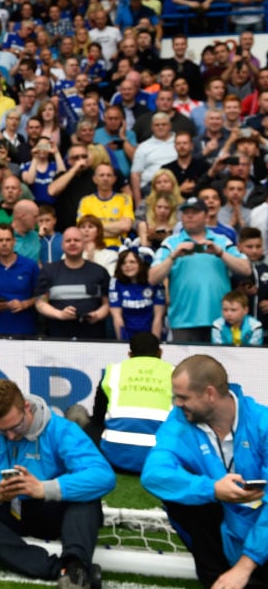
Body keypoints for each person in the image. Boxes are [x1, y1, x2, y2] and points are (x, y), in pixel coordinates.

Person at [0, 378, 114, 589]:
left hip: (49, 511)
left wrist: (45, 489)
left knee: (87, 499)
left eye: (15, 427)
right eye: (0, 430)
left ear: (27, 408)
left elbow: (102, 475)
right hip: (4, 510)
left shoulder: (59, 429)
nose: (10, 435)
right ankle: (59, 570)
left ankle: (75, 567)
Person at [141, 354, 268, 589]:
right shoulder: (179, 422)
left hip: (261, 533)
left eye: (183, 397)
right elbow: (153, 474)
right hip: (218, 529)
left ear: (210, 394)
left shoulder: (262, 422)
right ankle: (217, 576)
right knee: (181, 493)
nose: (176, 403)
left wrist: (245, 566)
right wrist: (212, 489)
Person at [149, 196, 252, 343]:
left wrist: (221, 253)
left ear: (206, 216)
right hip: (183, 320)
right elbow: (152, 277)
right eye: (186, 213)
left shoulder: (222, 241)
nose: (189, 216)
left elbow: (246, 269)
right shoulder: (171, 243)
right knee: (186, 366)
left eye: (195, 212)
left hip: (221, 321)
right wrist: (173, 256)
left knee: (219, 365)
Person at [87, 331, 173, 474]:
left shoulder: (114, 371)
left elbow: (98, 417)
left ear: (130, 355)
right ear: (160, 352)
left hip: (114, 458)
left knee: (86, 423)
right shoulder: (175, 372)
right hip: (159, 459)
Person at [34, 225, 111, 340]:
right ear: (62, 246)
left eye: (77, 240)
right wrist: (60, 314)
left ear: (84, 244)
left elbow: (108, 303)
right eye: (68, 241)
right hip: (57, 337)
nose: (72, 243)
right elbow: (40, 303)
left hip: (93, 338)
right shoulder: (48, 271)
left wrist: (97, 315)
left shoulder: (99, 271)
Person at [0, 223, 39, 336]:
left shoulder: (30, 265)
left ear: (14, 241)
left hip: (25, 330)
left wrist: (24, 304)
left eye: (8, 239)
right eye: (0, 240)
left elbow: (43, 295)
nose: (4, 244)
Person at [109, 248, 166, 341]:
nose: (128, 265)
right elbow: (117, 317)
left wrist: (154, 344)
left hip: (151, 334)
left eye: (132, 262)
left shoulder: (154, 281)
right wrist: (122, 343)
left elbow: (158, 317)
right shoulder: (115, 283)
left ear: (141, 263)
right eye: (123, 263)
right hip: (127, 335)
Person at [77, 162, 135, 247]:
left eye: (109, 175)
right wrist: (116, 227)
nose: (105, 178)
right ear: (95, 179)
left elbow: (126, 226)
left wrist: (95, 229)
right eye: (102, 175)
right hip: (93, 248)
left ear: (114, 179)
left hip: (118, 249)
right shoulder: (85, 201)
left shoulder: (125, 199)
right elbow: (84, 231)